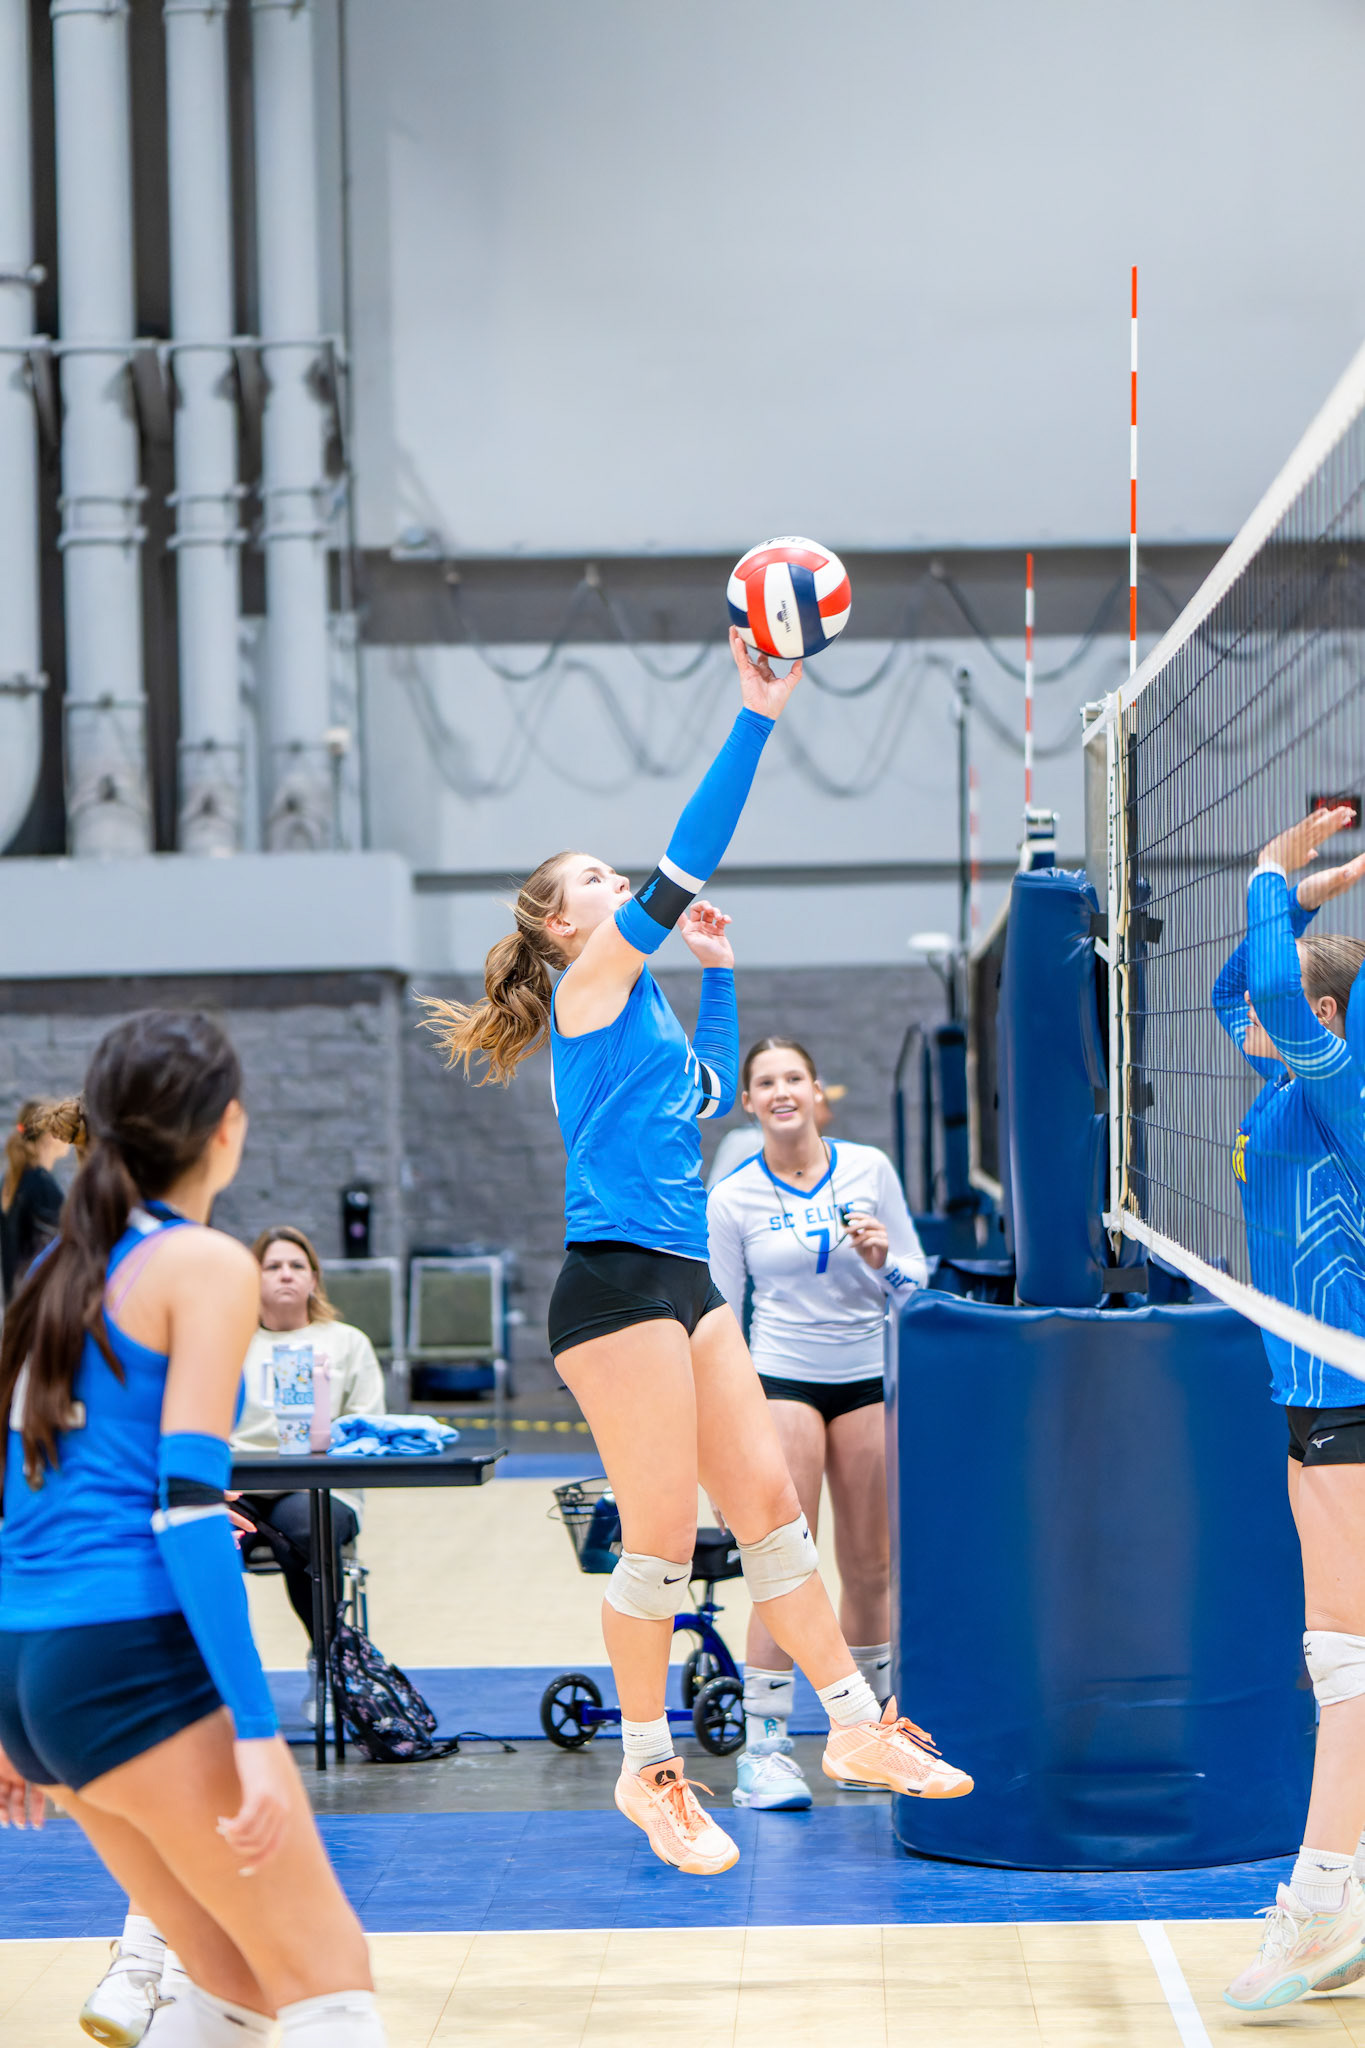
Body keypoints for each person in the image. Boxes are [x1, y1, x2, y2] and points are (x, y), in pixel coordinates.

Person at [421, 626, 971, 1880]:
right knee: (662, 1541)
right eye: (596, 879)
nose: (618, 883)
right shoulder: (590, 987)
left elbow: (712, 1094)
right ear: (561, 924)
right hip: (611, 1283)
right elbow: (686, 859)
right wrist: (757, 712)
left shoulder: (647, 1006)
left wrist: (719, 973)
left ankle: (854, 1723)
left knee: (771, 1516)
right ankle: (647, 1766)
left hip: (683, 1279)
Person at [0, 1011, 386, 2047]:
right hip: (125, 1652)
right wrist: (256, 1728)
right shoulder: (204, 1263)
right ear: (229, 1126)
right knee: (329, 1981)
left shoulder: (53, 1270)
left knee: (233, 1986)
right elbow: (186, 1512)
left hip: (32, 1666)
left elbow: (17, 1497)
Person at [1210, 809, 1365, 2013]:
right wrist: (1316, 888)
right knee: (1342, 1654)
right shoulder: (1284, 1083)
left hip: (1352, 1396)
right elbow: (1238, 987)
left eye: (1283, 1009)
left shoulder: (1340, 1083)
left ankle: (1317, 1903)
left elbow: (1262, 984)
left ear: (1317, 1016)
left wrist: (1271, 871)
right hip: (1314, 1401)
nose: (1250, 1024)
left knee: (1345, 1660)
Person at [707, 1037, 928, 1810]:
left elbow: (915, 1282)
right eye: (765, 1081)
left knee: (869, 1566)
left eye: (793, 1078)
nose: (781, 1091)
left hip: (866, 1376)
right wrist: (721, 1438)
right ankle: (764, 1749)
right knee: (782, 1564)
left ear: (815, 1091)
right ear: (748, 1102)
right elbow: (717, 1320)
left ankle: (865, 1738)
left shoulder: (868, 1168)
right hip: (781, 1379)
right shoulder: (732, 1197)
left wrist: (883, 1259)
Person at [234, 1225, 386, 1708]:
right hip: (238, 1487)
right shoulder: (228, 1340)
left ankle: (327, 1661)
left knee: (307, 1529)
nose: (286, 1275)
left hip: (321, 1485)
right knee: (200, 1537)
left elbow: (369, 1428)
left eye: (296, 1266)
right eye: (273, 1266)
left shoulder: (347, 1342)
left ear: (314, 1279)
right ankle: (222, 1675)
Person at [1, 1096, 71, 1301]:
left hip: (17, 1304)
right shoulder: (42, 1187)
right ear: (50, 1136)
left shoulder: (10, 1180)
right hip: (37, 1305)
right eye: (62, 1127)